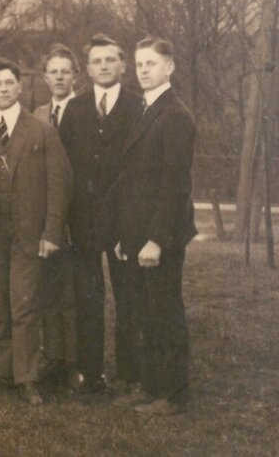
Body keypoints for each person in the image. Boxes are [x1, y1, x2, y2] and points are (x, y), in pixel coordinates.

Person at [0, 59, 72, 405]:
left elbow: (59, 185)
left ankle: (28, 377)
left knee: (24, 305)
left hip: (29, 233)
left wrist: (51, 232)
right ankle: (3, 372)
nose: (4, 88)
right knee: (1, 305)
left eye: (10, 82)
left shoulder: (42, 131)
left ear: (20, 88)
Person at [103, 38, 196, 416]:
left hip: (162, 236)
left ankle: (172, 395)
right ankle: (151, 386)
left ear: (169, 67)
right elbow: (131, 180)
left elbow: (173, 186)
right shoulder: (146, 108)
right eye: (139, 64)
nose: (143, 70)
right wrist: (127, 236)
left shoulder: (174, 115)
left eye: (151, 63)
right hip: (137, 233)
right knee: (144, 313)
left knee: (164, 312)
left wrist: (156, 240)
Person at [59, 36, 142, 396]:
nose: (104, 66)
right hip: (84, 219)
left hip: (125, 217)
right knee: (88, 297)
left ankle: (131, 372)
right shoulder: (74, 110)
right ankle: (90, 371)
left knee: (129, 296)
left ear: (123, 66)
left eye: (111, 60)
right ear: (88, 69)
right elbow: (63, 167)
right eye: (97, 61)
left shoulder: (139, 107)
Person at [34, 46, 81, 386]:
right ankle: (53, 356)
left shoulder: (86, 111)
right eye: (54, 71)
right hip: (45, 214)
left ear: (75, 75)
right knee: (48, 290)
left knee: (74, 292)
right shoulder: (36, 114)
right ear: (45, 77)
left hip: (79, 214)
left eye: (66, 71)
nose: (60, 77)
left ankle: (77, 360)